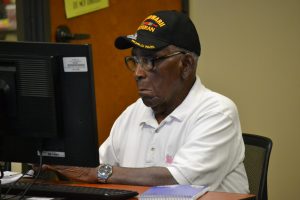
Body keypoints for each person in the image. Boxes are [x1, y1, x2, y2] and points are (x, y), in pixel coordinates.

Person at [42, 10, 249, 193]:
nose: (138, 73)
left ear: (185, 65)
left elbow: (175, 180)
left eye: (150, 60)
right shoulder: (133, 113)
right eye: (136, 60)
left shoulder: (217, 112)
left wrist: (96, 172)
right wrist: (56, 163)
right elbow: (92, 168)